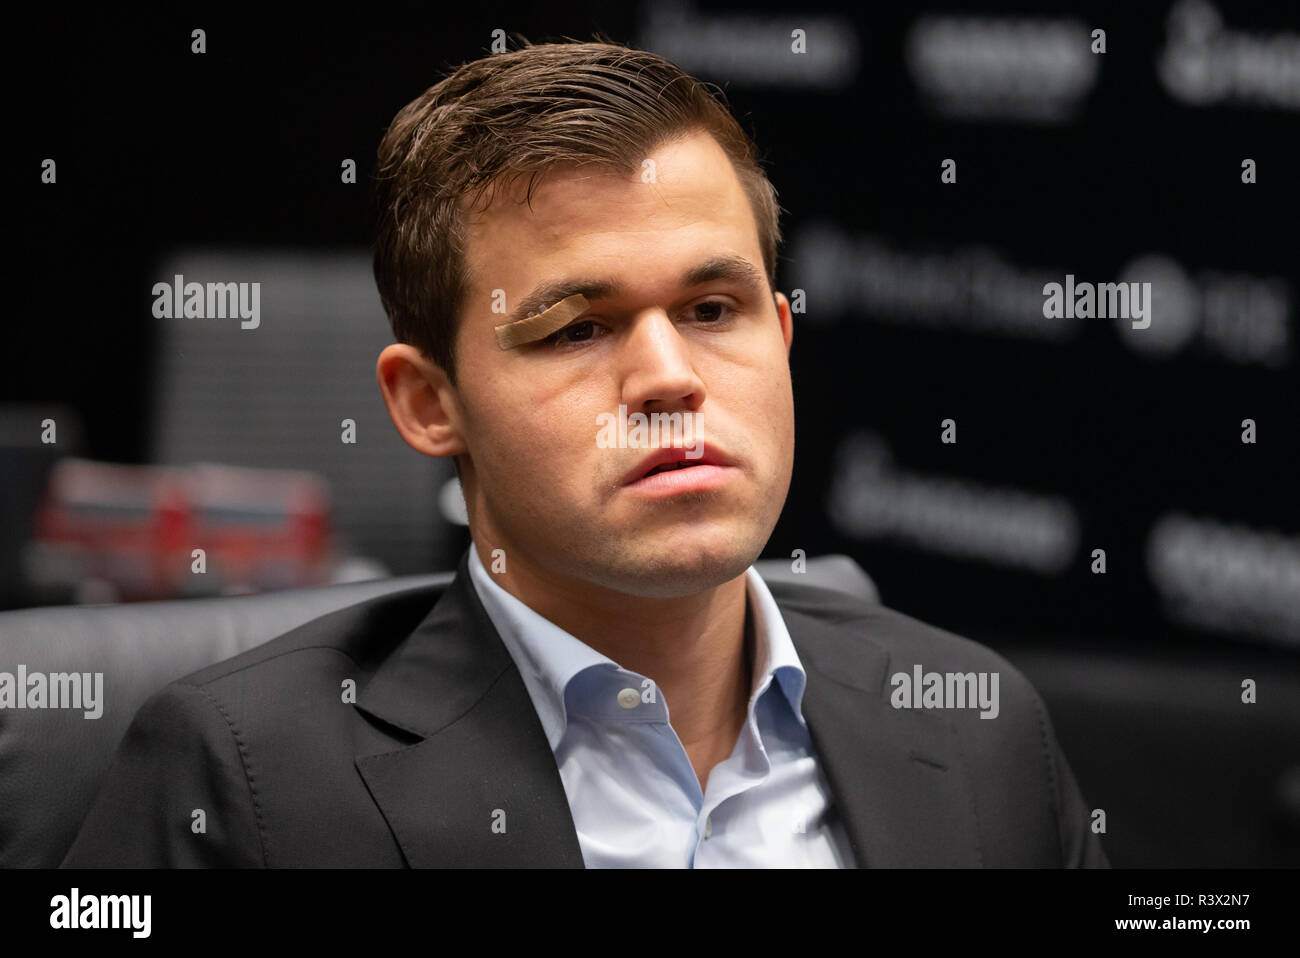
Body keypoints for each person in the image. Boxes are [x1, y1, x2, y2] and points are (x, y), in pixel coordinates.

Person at [61, 38, 1107, 868]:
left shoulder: (976, 721)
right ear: (430, 403)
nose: (668, 377)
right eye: (576, 328)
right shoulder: (243, 780)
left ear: (780, 339)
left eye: (712, 307)